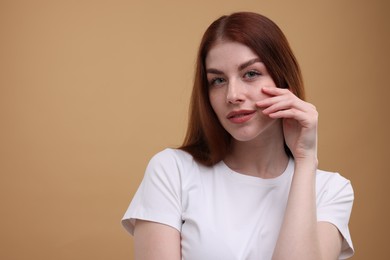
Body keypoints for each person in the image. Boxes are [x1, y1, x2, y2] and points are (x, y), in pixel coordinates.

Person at [121, 12, 354, 260]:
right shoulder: (171, 171)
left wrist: (306, 160)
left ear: (283, 80)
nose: (232, 95)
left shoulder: (330, 191)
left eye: (250, 74)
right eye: (218, 80)